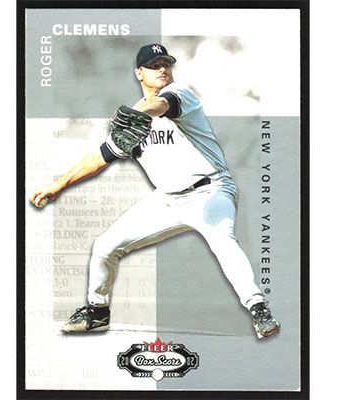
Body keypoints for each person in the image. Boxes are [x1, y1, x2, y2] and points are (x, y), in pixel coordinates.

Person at [30, 44, 280, 339]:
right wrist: (59, 184)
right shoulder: (133, 122)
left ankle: (258, 308)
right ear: (139, 73)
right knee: (105, 246)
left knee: (223, 241)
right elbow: (99, 157)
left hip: (211, 190)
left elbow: (159, 105)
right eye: (153, 65)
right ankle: (97, 312)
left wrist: (136, 112)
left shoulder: (179, 94)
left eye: (166, 63)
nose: (162, 68)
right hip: (167, 200)